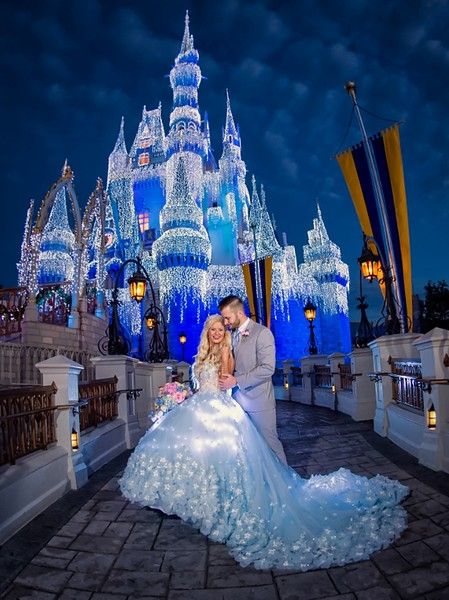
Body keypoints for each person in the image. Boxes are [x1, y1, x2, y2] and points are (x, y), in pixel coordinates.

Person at [119, 314, 408, 572]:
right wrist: (180, 394)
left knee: (221, 458)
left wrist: (231, 378)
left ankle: (219, 506)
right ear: (207, 333)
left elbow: (230, 381)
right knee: (186, 453)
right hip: (198, 406)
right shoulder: (201, 356)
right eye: (213, 329)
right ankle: (195, 503)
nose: (217, 333)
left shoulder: (227, 352)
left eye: (221, 328)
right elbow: (200, 385)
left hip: (219, 412)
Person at [218, 295, 287, 464]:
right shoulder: (231, 335)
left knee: (271, 446)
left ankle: (286, 485)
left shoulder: (262, 333)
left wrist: (236, 381)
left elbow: (268, 368)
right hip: (237, 402)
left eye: (227, 318)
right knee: (248, 449)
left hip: (259, 402)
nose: (225, 322)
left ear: (239, 313)